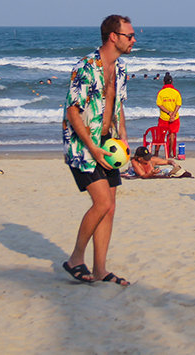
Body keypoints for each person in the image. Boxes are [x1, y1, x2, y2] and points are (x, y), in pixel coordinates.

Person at [60, 14, 134, 286]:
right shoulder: (86, 67)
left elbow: (118, 104)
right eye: (129, 36)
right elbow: (72, 110)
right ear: (113, 37)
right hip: (83, 145)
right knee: (101, 202)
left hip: (108, 142)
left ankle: (100, 269)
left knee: (110, 207)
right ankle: (75, 259)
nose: (133, 40)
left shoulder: (121, 68)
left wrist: (123, 136)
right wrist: (91, 146)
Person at [155, 72, 182, 158]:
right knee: (172, 135)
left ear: (163, 82)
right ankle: (169, 154)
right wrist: (173, 114)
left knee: (160, 136)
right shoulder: (176, 92)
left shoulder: (161, 92)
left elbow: (159, 104)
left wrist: (168, 113)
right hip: (175, 117)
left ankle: (156, 153)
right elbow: (178, 105)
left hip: (164, 117)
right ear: (172, 82)